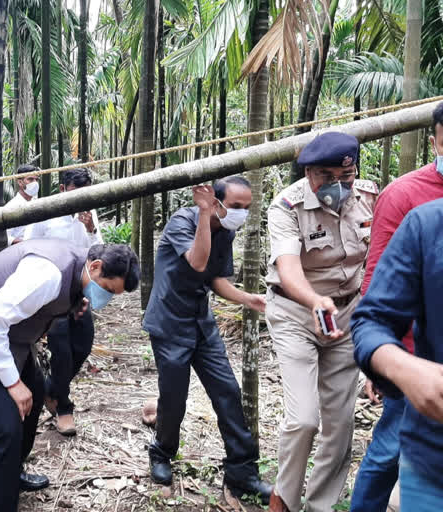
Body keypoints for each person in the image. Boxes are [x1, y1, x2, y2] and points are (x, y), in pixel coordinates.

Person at [0, 241, 140, 512]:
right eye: (108, 290)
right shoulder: (48, 274)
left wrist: (69, 307)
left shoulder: (77, 273)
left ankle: (11, 474)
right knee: (4, 429)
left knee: (35, 393)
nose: (107, 298)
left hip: (6, 340)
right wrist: (12, 383)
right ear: (96, 266)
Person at [264, 132, 378, 512]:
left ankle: (320, 506)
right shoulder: (285, 207)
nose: (338, 186)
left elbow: (377, 256)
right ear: (309, 173)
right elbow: (288, 268)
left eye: (345, 177)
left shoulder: (370, 197)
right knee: (304, 419)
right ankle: (286, 501)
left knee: (340, 424)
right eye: (327, 178)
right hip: (297, 313)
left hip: (347, 315)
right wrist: (315, 301)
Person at [142, 178, 272, 503]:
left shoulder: (226, 231)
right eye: (236, 206)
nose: (241, 214)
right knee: (174, 400)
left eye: (246, 207)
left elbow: (214, 278)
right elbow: (197, 261)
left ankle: (242, 471)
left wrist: (249, 299)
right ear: (215, 200)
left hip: (201, 323)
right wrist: (203, 214)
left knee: (227, 391)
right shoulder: (182, 221)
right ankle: (161, 454)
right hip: (170, 323)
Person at [349, 102, 443, 512]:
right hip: (417, 368)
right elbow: (377, 291)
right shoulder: (412, 204)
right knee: (387, 453)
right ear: (435, 140)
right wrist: (390, 364)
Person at [23, 168, 103, 436]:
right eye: (75, 190)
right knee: (61, 349)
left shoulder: (89, 216)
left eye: (86, 191)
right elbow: (28, 245)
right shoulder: (46, 213)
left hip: (79, 291)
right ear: (62, 189)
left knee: (83, 343)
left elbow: (98, 251)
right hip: (52, 291)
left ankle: (51, 389)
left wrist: (90, 228)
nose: (81, 197)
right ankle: (64, 407)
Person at [5, 164, 40, 245]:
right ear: (20, 182)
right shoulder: (11, 206)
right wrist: (26, 243)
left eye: (36, 180)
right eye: (30, 179)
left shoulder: (37, 203)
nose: (35, 183)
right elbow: (6, 237)